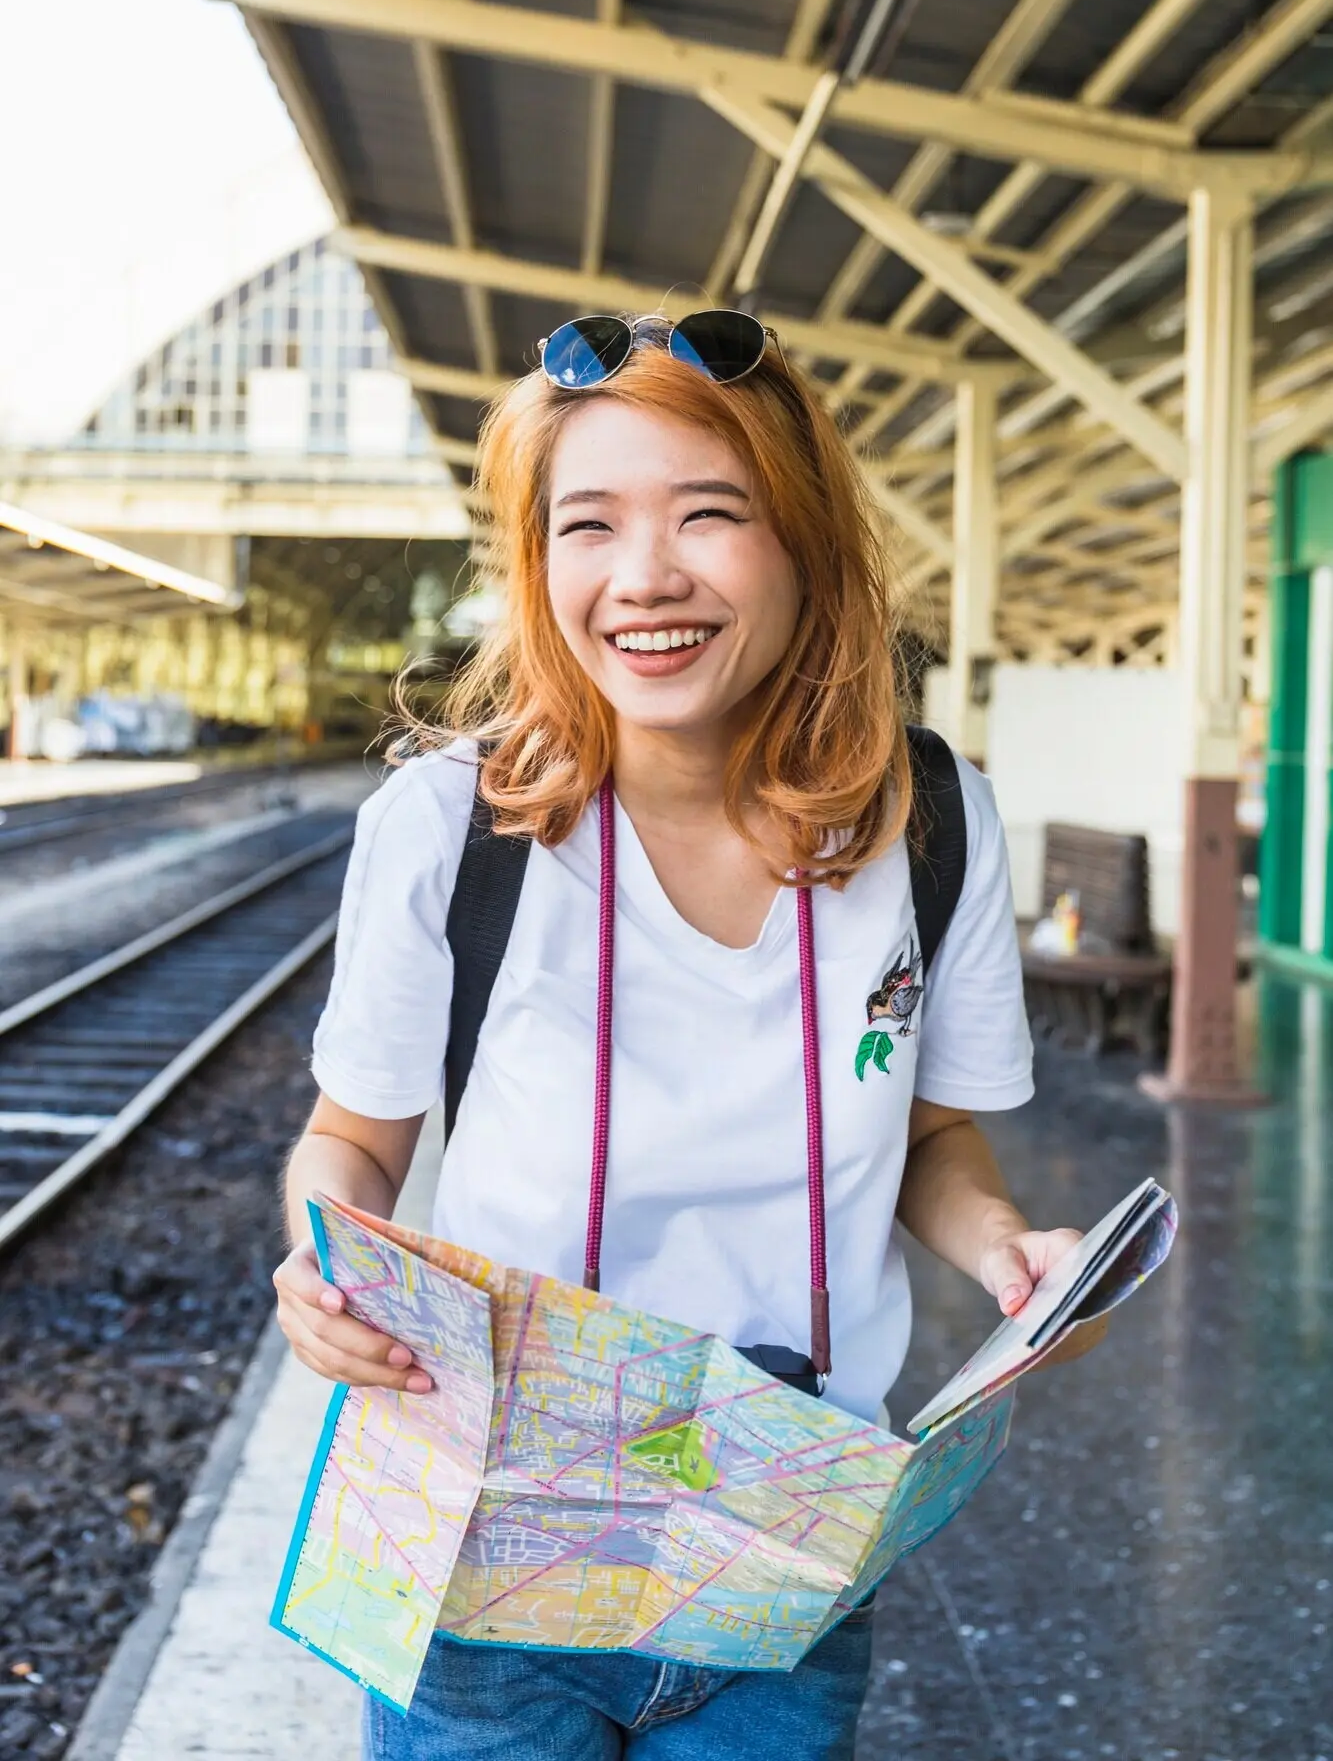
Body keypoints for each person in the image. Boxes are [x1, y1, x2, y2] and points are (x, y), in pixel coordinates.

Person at [274, 310, 1102, 1760]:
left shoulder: (935, 822)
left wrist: (1002, 1250)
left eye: (709, 515)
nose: (645, 576)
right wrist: (321, 1262)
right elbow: (352, 1142)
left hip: (783, 1551)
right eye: (586, 524)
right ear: (539, 569)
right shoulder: (447, 832)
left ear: (802, 543)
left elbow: (929, 1135)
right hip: (494, 1562)